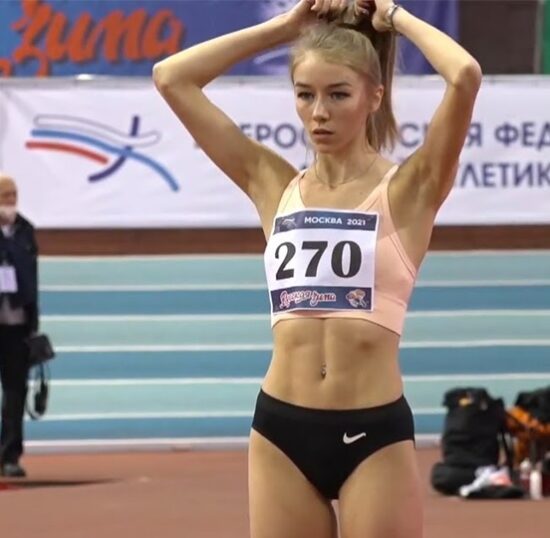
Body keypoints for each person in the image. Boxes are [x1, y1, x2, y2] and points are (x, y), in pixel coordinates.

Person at [153, 0, 481, 535]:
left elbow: (464, 74)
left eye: (337, 94)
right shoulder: (272, 184)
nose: (318, 112)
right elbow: (172, 77)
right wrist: (287, 27)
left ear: (374, 96)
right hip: (281, 428)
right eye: (305, 94)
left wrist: (393, 15)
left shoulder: (410, 189)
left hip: (372, 431)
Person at [0, 172, 39, 478]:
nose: (10, 201)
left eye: (13, 195)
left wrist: (33, 324)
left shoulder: (26, 230)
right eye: (4, 196)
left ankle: (9, 455)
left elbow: (32, 278)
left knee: (15, 391)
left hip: (17, 326)